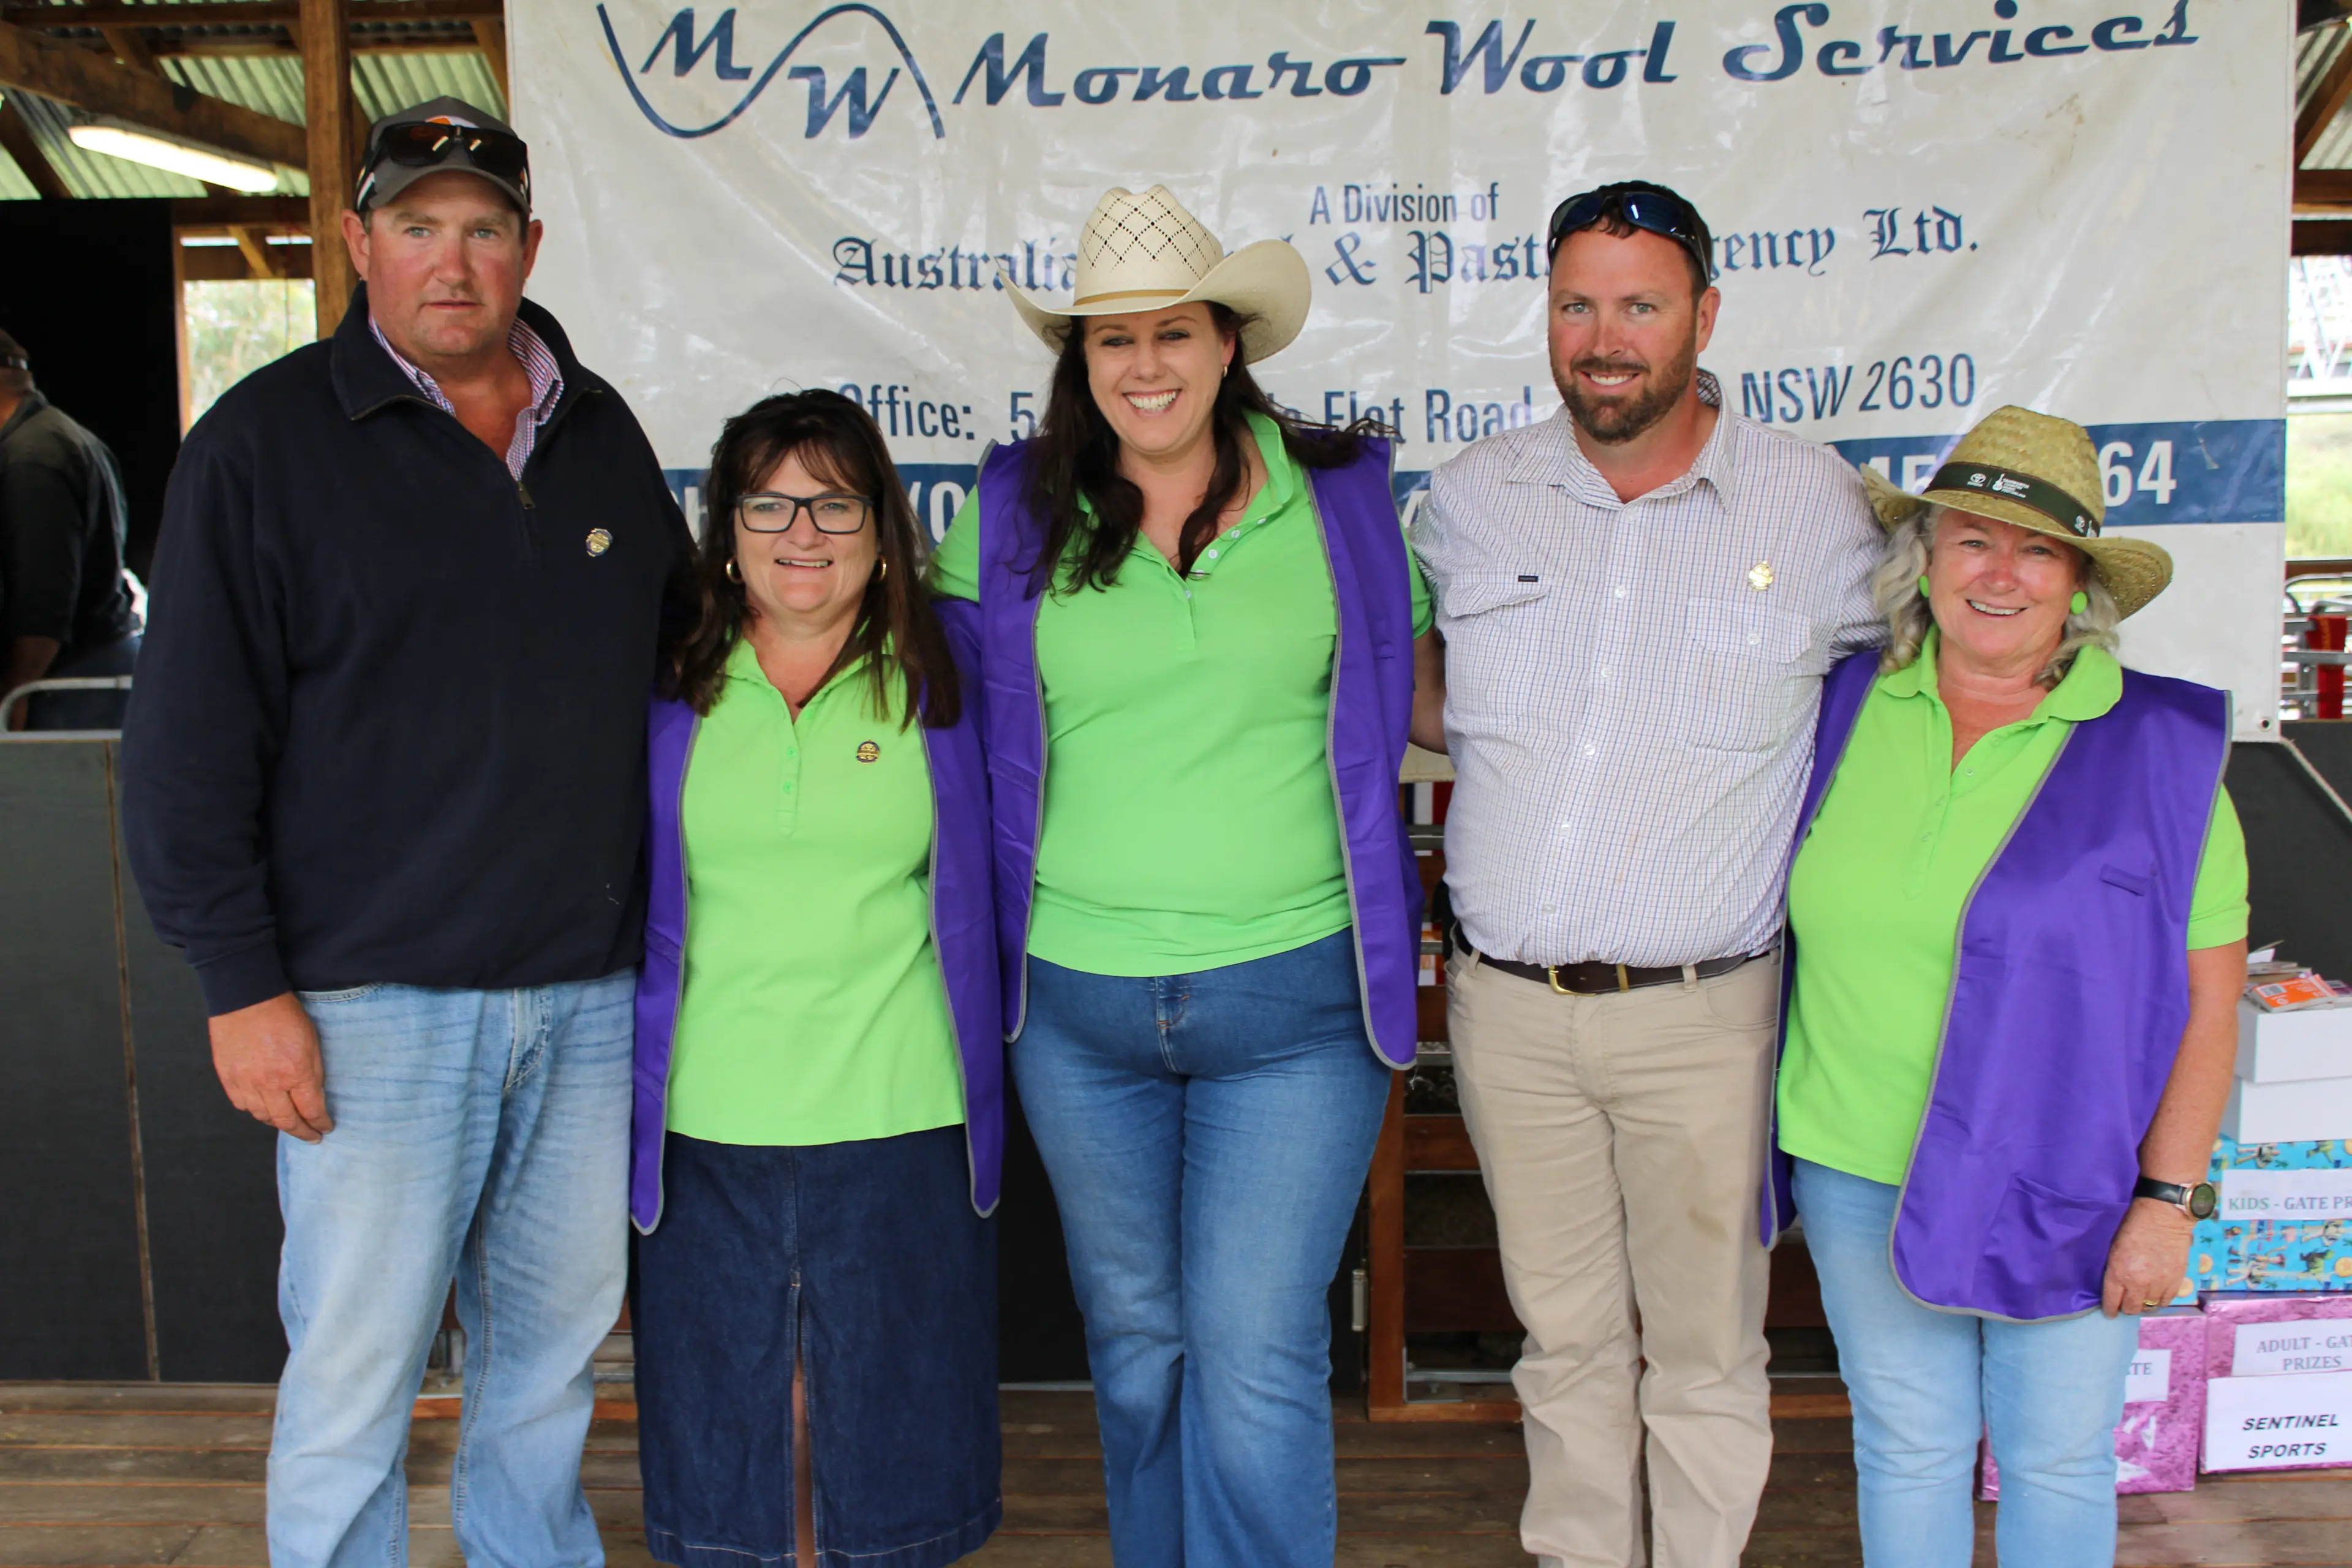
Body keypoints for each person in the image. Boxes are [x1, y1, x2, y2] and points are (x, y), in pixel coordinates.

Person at [119, 98, 690, 1568]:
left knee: (549, 1363)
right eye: (418, 225)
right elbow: (184, 750)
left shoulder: (601, 433)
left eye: (483, 228)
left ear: (529, 247)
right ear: (358, 240)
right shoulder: (260, 447)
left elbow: (687, 666)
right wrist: (241, 987)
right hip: (370, 1006)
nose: (454, 260)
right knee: (357, 1370)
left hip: (585, 993)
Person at [930, 184, 1436, 1567]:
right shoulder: (1009, 509)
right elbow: (933, 719)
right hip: (1075, 1010)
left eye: (1172, 332)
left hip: (1298, 1002)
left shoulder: (1342, 500)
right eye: (1113, 338)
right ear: (1079, 361)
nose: (1143, 364)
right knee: (1138, 1339)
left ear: (1227, 344)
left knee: (1254, 1344)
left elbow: (1442, 697)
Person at [1409, 179, 1884, 1568]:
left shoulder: (1817, 506)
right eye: (1576, 305)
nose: (1603, 339)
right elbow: (1416, 688)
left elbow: (1904, 706)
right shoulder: (1471, 500)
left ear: (1705, 316)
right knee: (1560, 1343)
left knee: (1703, 1351)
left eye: (1639, 305)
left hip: (1706, 1016)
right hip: (1508, 1014)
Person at [1772, 407, 2247, 1568]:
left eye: (2038, 551)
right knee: (1907, 1448)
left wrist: (2168, 1202)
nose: (2000, 574)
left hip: (2065, 1177)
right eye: (1973, 540)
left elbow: (2206, 1008)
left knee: (2055, 1461)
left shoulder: (2162, 752)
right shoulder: (1841, 707)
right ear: (1924, 560)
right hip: (1854, 1161)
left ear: (2079, 583)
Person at [630, 390, 1002, 1568]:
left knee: (891, 1439)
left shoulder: (948, 670)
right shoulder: (665, 677)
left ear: (882, 525)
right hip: (706, 1121)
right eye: (770, 505)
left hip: (902, 1112)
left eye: (835, 504)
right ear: (726, 529)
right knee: (736, 1438)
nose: (803, 533)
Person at [0, 327, 138, 729]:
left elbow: (44, 600)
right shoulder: (65, 434)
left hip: (68, 685)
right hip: (102, 665)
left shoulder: (31, 460)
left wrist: (15, 692)